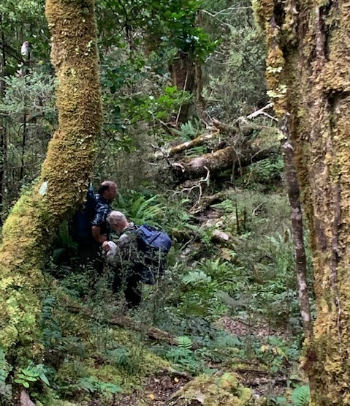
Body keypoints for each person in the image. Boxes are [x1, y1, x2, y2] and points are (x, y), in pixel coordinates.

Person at [103, 211, 143, 308]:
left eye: (112, 227)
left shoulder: (124, 237)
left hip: (130, 271)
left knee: (132, 299)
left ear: (115, 224)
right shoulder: (137, 228)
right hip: (140, 268)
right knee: (136, 295)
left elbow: (116, 261)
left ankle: (131, 317)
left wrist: (108, 250)